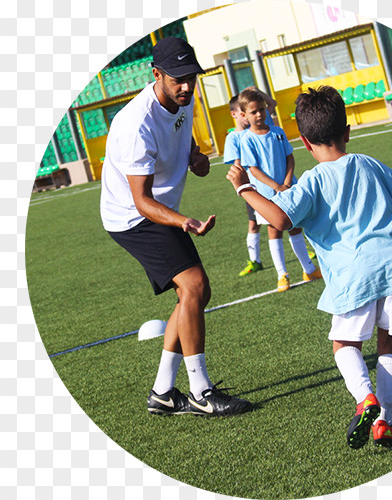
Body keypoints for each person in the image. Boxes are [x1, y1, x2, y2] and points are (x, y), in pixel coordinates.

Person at [226, 85, 392, 447]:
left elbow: (280, 220)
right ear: (347, 132)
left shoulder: (313, 180)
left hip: (354, 275)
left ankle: (365, 399)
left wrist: (244, 189)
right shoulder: (370, 163)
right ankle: (386, 421)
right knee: (391, 343)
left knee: (344, 343)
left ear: (302, 140)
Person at [100, 36, 252, 417]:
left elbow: (184, 141)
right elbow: (141, 201)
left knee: (190, 295)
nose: (186, 86)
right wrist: (185, 222)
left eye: (192, 78)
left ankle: (163, 393)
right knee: (197, 287)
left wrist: (195, 159)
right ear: (157, 75)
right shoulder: (135, 124)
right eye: (177, 79)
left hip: (156, 209)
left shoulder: (185, 98)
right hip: (132, 217)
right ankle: (201, 392)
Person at [237, 88, 321, 292]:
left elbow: (289, 157)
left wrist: (287, 182)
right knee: (274, 231)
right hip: (267, 195)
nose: (259, 115)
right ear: (244, 115)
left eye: (261, 110)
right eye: (253, 112)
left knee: (295, 226)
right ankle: (282, 275)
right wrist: (276, 187)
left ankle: (308, 269)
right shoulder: (246, 139)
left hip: (288, 188)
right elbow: (253, 170)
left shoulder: (278, 132)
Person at [222, 91, 274, 276]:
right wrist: (243, 188)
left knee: (287, 220)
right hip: (254, 189)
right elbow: (237, 166)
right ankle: (255, 260)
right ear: (236, 114)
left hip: (273, 183)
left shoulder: (263, 127)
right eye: (242, 111)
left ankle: (300, 248)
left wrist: (256, 91)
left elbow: (272, 104)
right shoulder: (235, 138)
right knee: (255, 224)